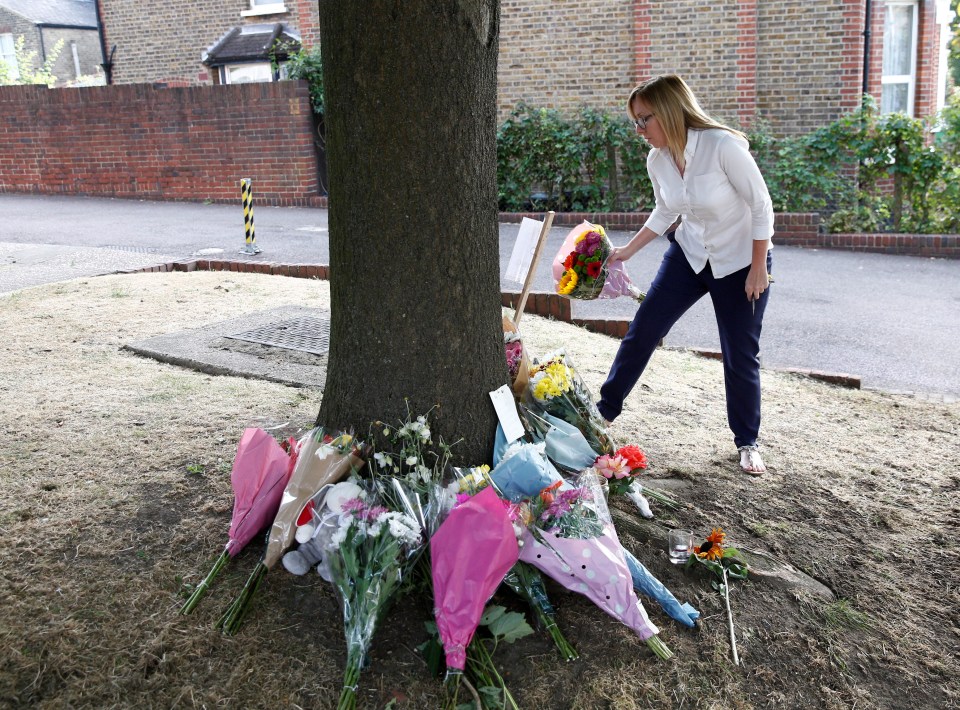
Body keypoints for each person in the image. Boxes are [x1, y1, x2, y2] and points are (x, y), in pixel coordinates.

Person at [596, 74, 774, 475]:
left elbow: (761, 205)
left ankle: (747, 441)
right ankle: (604, 412)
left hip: (742, 261)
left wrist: (759, 266)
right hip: (690, 255)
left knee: (740, 352)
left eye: (645, 119)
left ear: (671, 112)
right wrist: (627, 250)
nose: (639, 130)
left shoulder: (722, 146)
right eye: (635, 122)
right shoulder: (657, 160)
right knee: (644, 328)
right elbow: (665, 211)